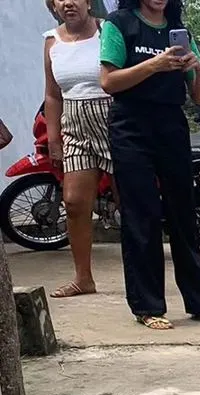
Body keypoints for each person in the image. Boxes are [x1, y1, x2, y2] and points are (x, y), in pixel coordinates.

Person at [99, 0, 200, 330]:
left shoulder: (178, 29)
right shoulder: (120, 23)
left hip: (171, 124)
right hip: (131, 126)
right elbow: (109, 82)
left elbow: (199, 98)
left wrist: (197, 69)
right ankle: (147, 306)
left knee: (183, 212)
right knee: (142, 215)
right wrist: (154, 65)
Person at [43, 0, 113, 299]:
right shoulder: (51, 41)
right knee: (73, 203)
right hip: (75, 126)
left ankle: (145, 278)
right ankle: (83, 279)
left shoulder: (107, 31)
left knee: (132, 203)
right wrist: (53, 139)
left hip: (113, 122)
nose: (67, 2)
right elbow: (52, 94)